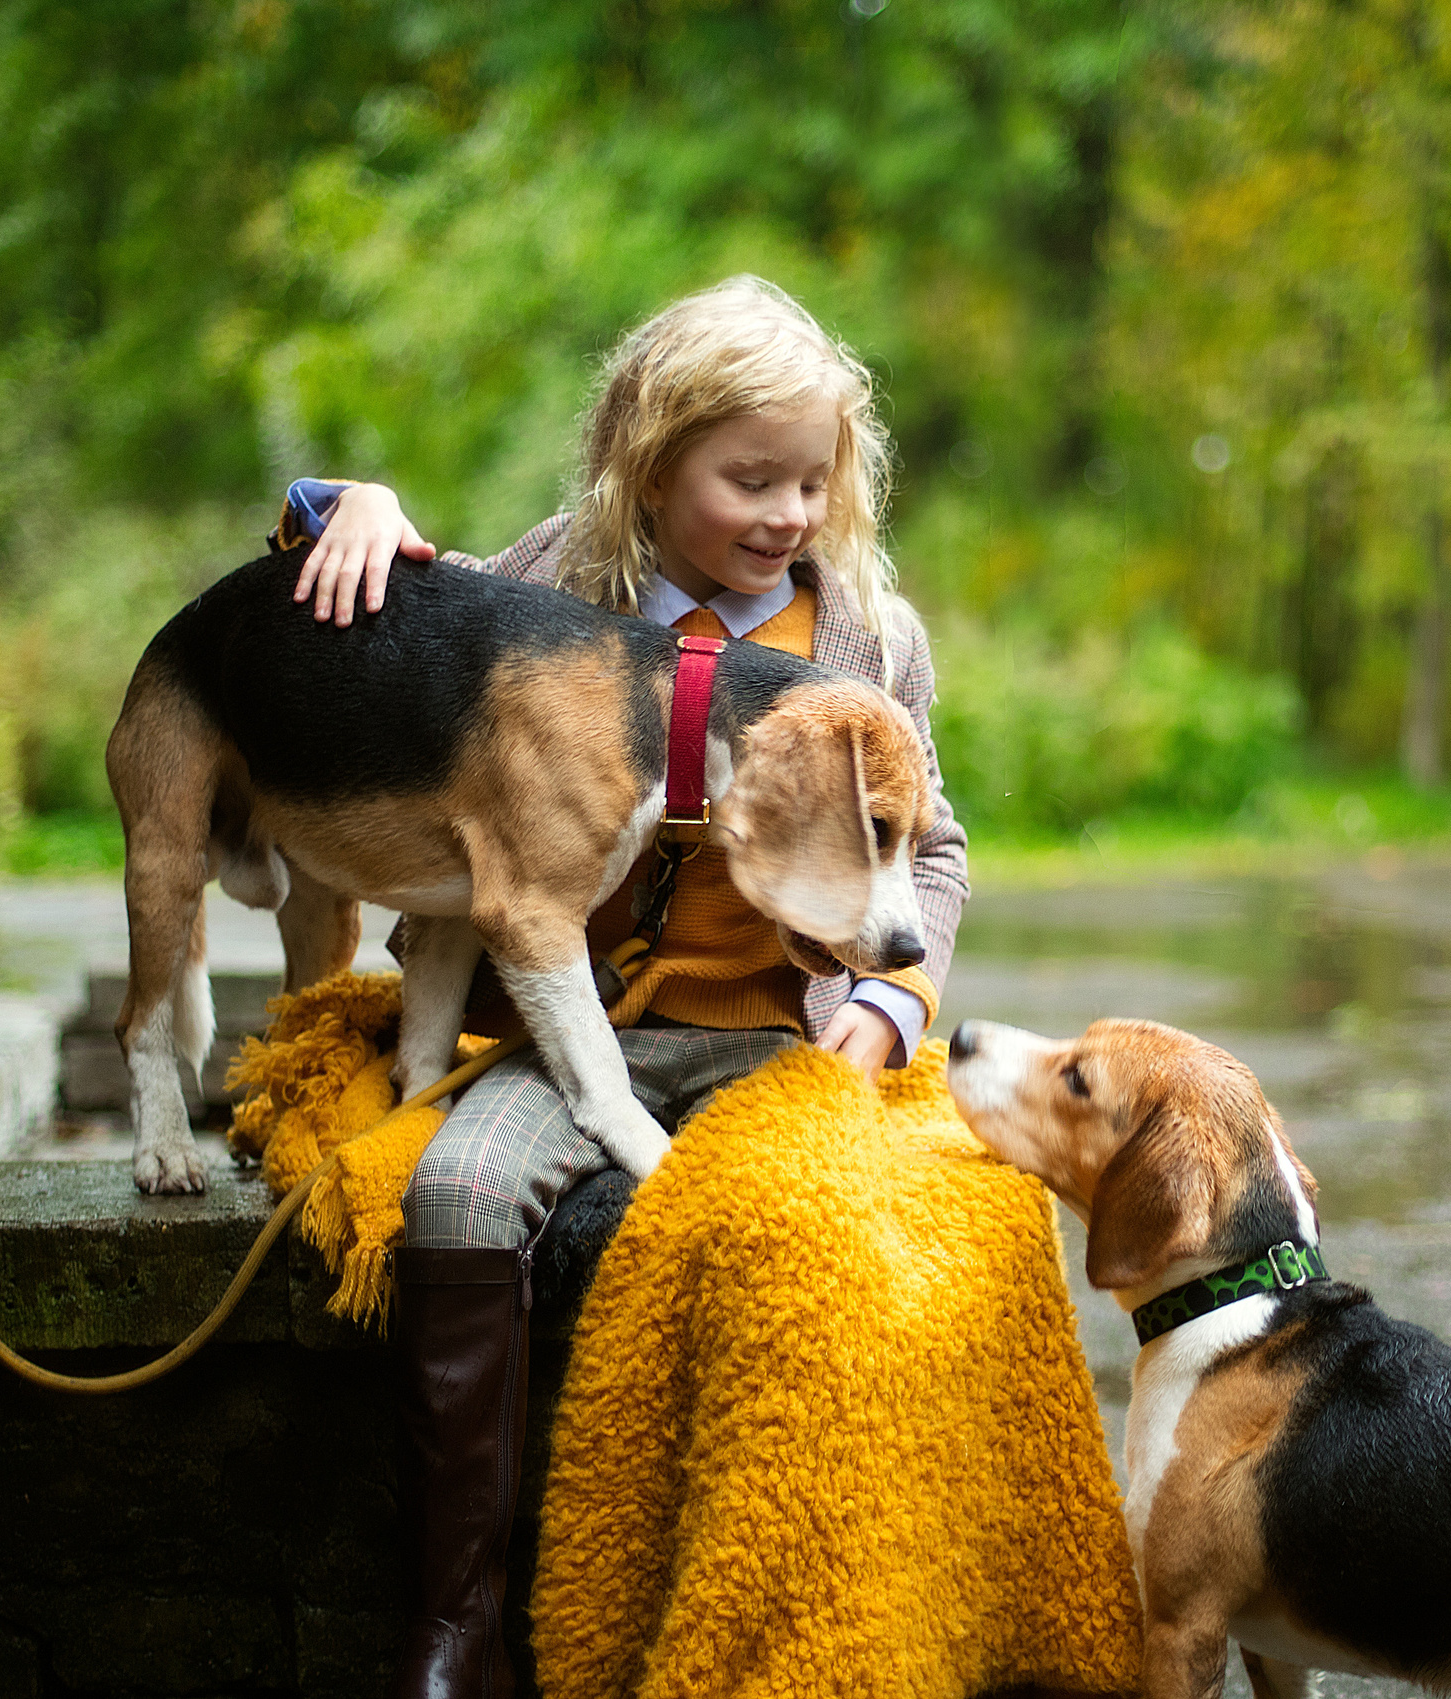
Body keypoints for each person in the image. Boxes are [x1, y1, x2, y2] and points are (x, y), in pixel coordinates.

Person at [271, 275, 967, 1699]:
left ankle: (784, 1611)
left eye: (812, 482)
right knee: (456, 1200)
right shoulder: (548, 588)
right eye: (747, 479)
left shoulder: (869, 642)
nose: (785, 512)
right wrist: (341, 500)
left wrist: (884, 1018)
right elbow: (371, 598)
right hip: (556, 1030)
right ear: (651, 473)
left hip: (773, 1037)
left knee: (812, 1235)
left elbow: (934, 851)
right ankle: (456, 1617)